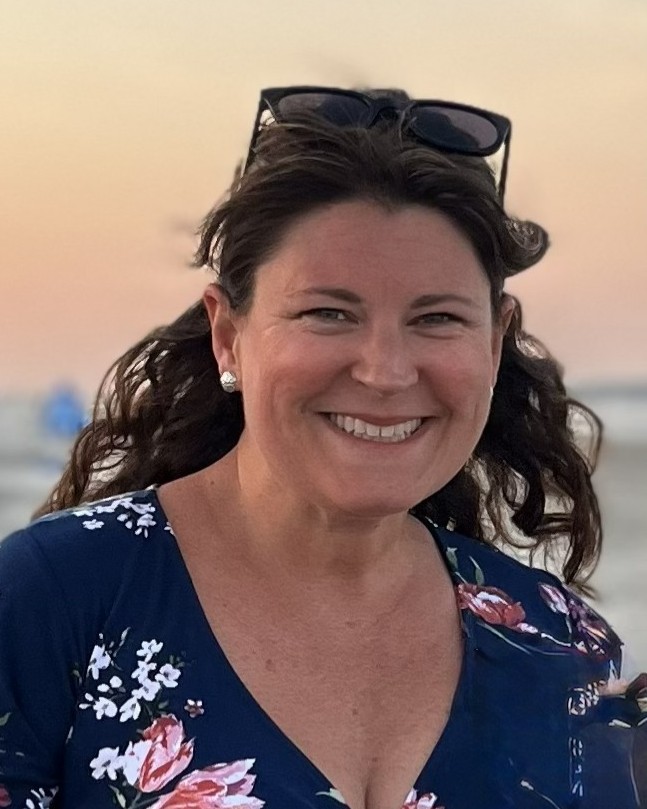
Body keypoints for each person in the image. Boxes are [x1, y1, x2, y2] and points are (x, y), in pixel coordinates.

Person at [0, 86, 644, 809]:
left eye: (435, 318)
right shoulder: (52, 598)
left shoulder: (561, 644)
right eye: (328, 312)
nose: (384, 370)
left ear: (494, 343)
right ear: (227, 334)